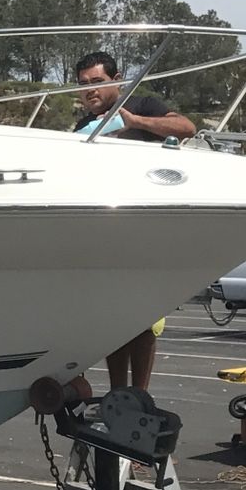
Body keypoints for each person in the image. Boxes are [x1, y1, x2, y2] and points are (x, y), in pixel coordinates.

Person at [73, 51, 196, 391]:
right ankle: (116, 394)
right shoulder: (82, 127)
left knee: (144, 321)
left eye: (97, 82)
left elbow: (186, 127)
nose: (90, 91)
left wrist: (135, 122)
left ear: (117, 80)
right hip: (106, 228)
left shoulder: (143, 104)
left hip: (147, 227)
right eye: (83, 85)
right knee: (114, 322)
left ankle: (140, 395)